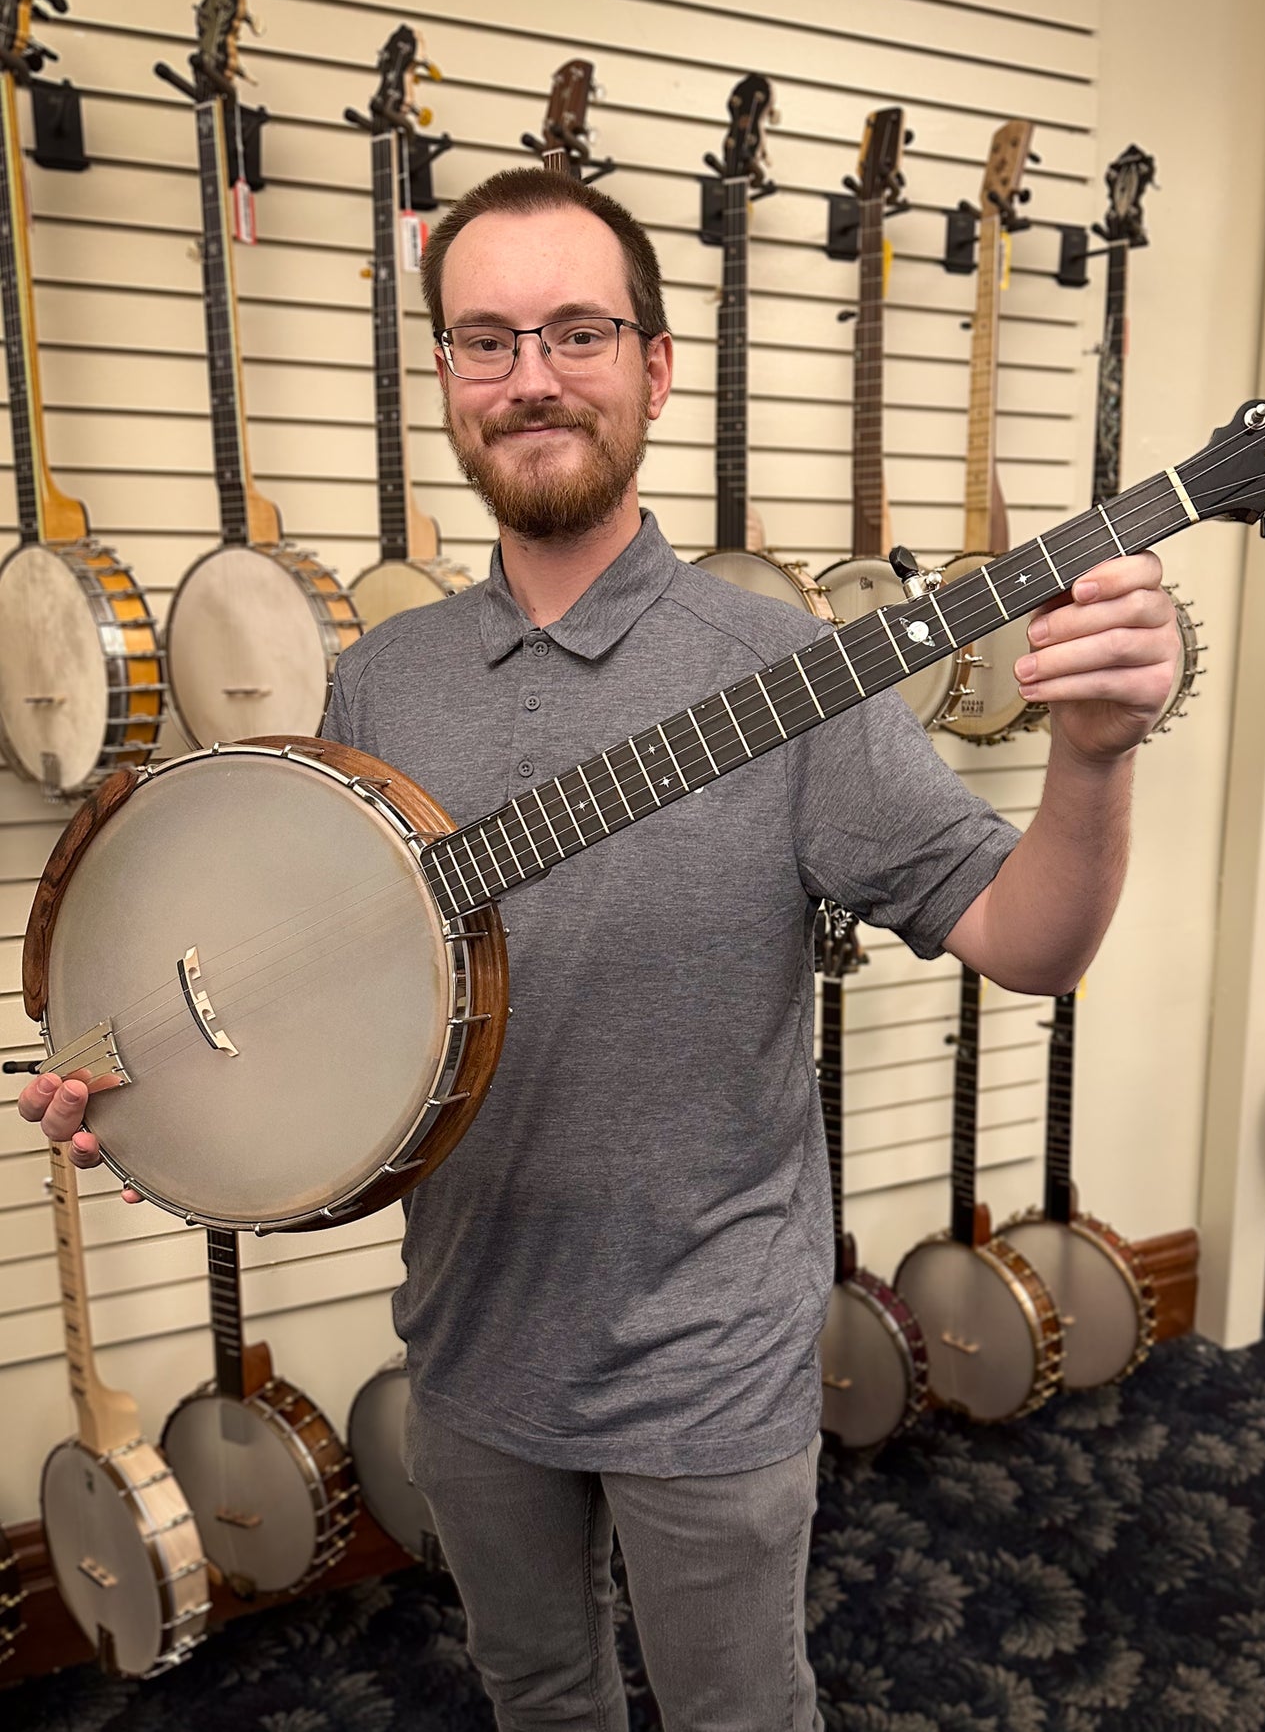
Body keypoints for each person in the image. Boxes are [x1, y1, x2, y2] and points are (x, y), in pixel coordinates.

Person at [22, 168, 1178, 1730]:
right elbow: (323, 995)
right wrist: (154, 1089)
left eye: (577, 330)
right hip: (473, 1341)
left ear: (655, 363)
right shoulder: (385, 686)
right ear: (442, 375)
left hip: (705, 1356)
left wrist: (1094, 758)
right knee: (535, 1687)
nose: (532, 377)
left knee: (732, 1712)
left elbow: (1029, 943)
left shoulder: (791, 671)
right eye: (485, 340)